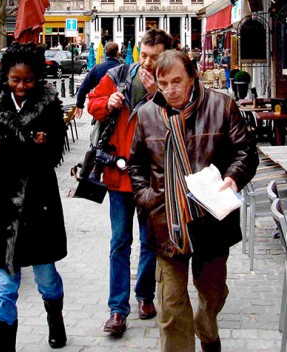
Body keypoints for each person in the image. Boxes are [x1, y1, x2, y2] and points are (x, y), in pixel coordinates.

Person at [129, 51, 258, 352]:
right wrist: (146, 198)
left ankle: (207, 324)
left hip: (211, 220)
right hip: (167, 225)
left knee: (213, 293)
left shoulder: (222, 106)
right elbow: (135, 165)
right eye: (163, 83)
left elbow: (246, 152)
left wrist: (233, 177)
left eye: (177, 82)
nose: (170, 90)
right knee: (171, 311)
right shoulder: (147, 115)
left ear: (192, 78)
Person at [0, 44, 68, 352]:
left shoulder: (50, 106)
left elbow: (49, 156)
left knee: (46, 278)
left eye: (27, 80)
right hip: (4, 208)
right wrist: (24, 145)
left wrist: (4, 147)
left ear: (37, 78)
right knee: (3, 289)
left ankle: (55, 318)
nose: (22, 86)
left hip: (40, 207)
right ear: (6, 78)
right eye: (16, 80)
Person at [87, 28, 173, 337]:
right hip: (119, 174)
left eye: (156, 57)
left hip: (153, 177)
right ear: (138, 52)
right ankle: (117, 309)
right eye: (145, 56)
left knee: (150, 241)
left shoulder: (171, 82)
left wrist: (157, 94)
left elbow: (181, 117)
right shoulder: (119, 73)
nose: (149, 64)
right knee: (119, 241)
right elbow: (91, 103)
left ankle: (145, 295)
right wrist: (107, 102)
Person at [74, 41, 120, 119]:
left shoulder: (97, 68)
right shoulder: (122, 68)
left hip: (101, 109)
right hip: (118, 108)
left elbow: (84, 87)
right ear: (117, 53)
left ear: (106, 53)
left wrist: (79, 105)